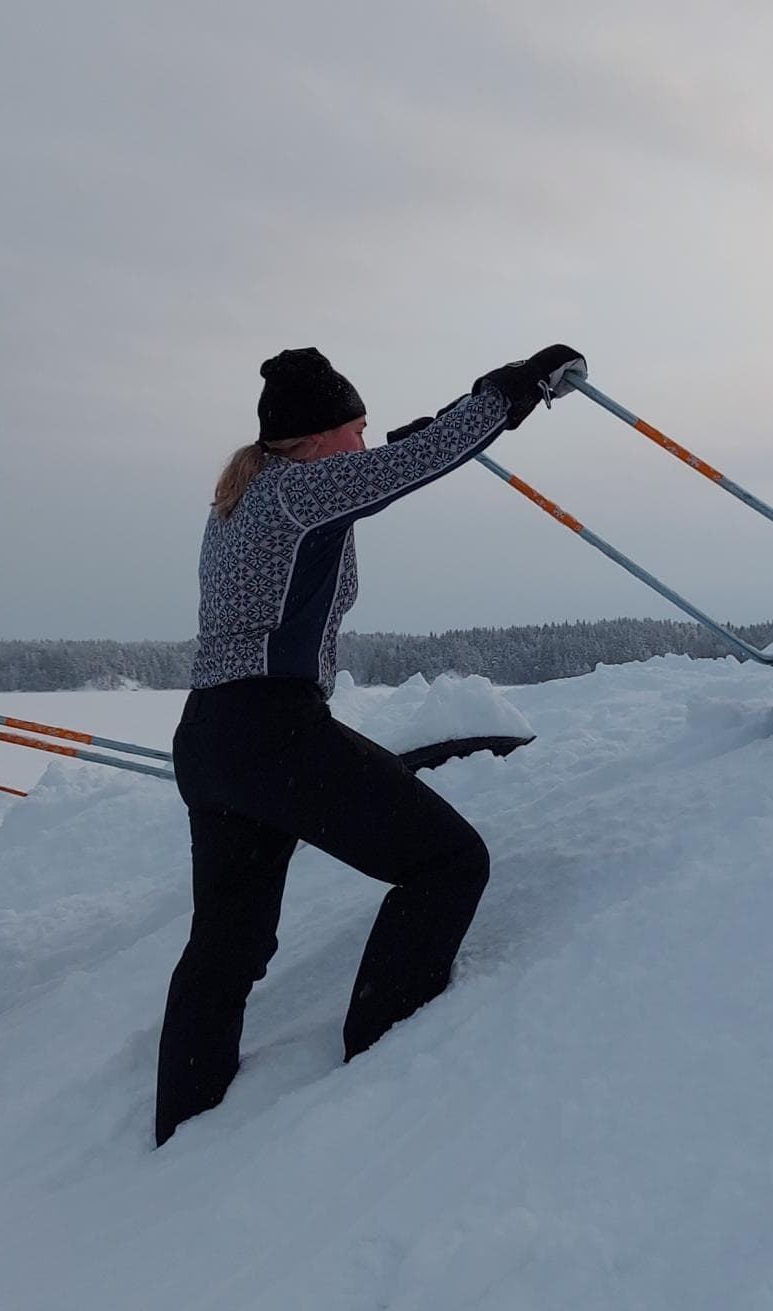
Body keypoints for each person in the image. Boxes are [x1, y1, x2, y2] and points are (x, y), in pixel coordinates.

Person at [156, 342, 582, 1145]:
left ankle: (183, 1124)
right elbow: (413, 466)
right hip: (270, 730)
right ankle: (385, 1056)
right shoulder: (299, 492)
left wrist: (421, 435)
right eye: (354, 429)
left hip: (212, 738)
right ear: (313, 441)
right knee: (446, 862)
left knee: (227, 941)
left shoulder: (250, 494)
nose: (363, 439)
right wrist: (511, 390)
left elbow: (386, 465)